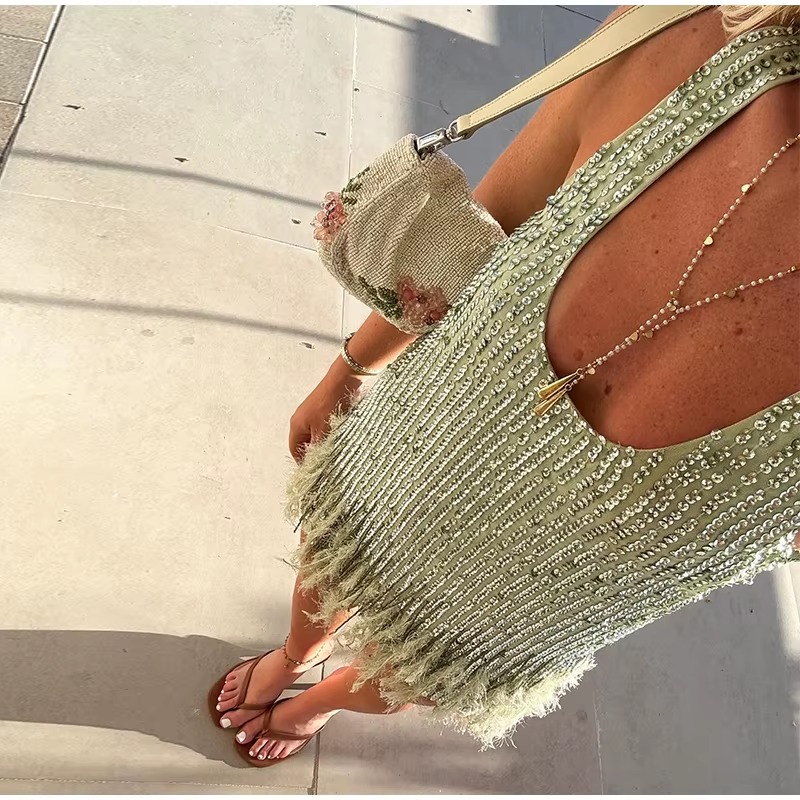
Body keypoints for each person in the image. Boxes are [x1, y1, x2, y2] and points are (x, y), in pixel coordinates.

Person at [210, 4, 800, 765]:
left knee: (436, 663)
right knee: (344, 550)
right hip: (440, 438)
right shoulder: (687, 27)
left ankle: (311, 704)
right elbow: (484, 223)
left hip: (565, 576)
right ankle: (296, 657)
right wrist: (350, 368)